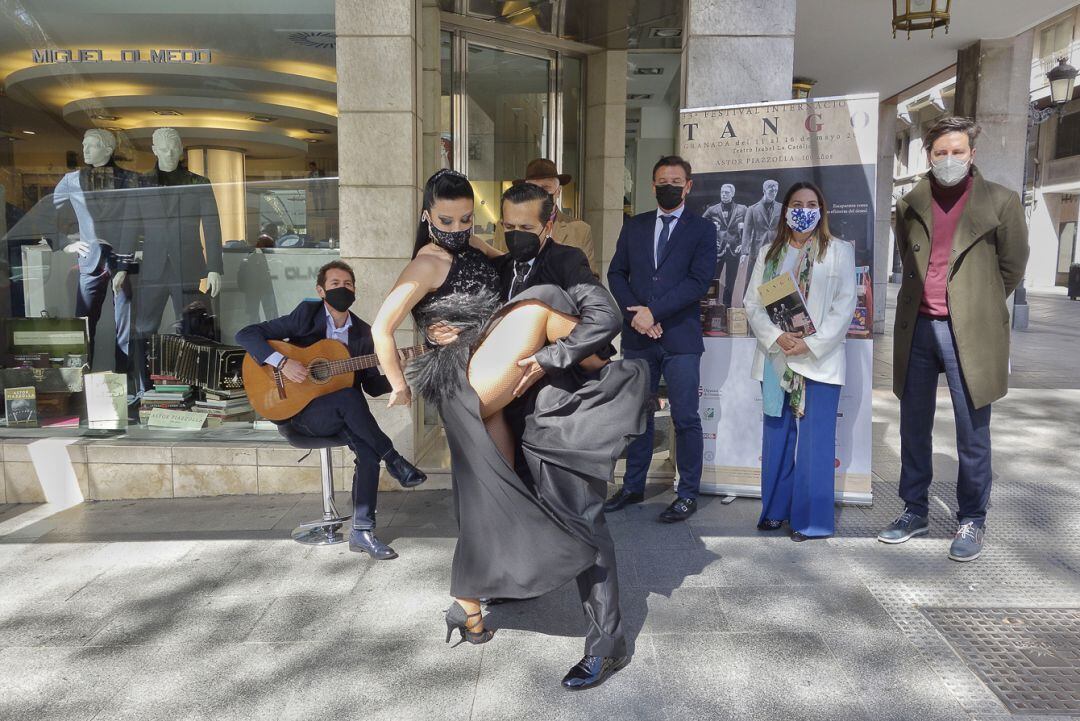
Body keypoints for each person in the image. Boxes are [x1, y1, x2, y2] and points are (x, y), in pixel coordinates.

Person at [371, 169, 646, 691]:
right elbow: (461, 308)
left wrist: (550, 358)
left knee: (584, 524)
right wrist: (435, 327)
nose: (515, 235)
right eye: (508, 226)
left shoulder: (565, 261)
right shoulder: (494, 265)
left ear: (549, 225)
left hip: (556, 416)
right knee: (491, 504)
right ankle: (481, 596)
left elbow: (603, 317)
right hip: (501, 413)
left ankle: (605, 644)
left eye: (525, 226)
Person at [877, 116, 1029, 562]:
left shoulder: (1001, 202)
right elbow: (909, 256)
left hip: (971, 332)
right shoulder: (910, 204)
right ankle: (914, 509)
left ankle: (972, 518)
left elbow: (1012, 267)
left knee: (972, 431)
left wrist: (975, 304)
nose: (948, 160)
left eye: (957, 151)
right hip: (920, 328)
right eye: (941, 152)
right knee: (913, 424)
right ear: (929, 155)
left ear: (971, 154)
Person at [236, 260, 427, 560]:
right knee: (348, 401)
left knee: (366, 449)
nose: (342, 289)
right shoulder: (306, 315)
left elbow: (372, 387)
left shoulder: (364, 333)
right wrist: (283, 363)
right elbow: (246, 334)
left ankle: (362, 532)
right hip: (298, 415)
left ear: (355, 291)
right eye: (335, 284)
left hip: (339, 416)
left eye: (348, 284)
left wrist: (395, 373)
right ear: (321, 290)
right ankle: (394, 459)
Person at [743, 183, 857, 542]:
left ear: (822, 210)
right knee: (777, 438)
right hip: (777, 358)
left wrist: (810, 344)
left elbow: (844, 306)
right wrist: (777, 337)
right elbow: (753, 303)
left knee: (814, 443)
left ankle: (810, 520)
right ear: (786, 210)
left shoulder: (838, 251)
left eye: (811, 204)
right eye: (796, 204)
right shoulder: (769, 252)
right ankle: (775, 510)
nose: (803, 210)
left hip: (819, 361)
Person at [605, 155, 715, 522]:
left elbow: (698, 282)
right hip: (638, 337)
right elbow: (616, 273)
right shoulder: (634, 226)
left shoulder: (702, 230)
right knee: (637, 415)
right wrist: (637, 313)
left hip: (680, 339)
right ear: (652, 186)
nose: (668, 185)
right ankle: (633, 486)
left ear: (688, 185)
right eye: (662, 180)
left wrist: (655, 313)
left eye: (676, 180)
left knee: (685, 418)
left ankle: (687, 493)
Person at [494, 158, 596, 271]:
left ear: (558, 191)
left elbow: (591, 277)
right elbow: (498, 267)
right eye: (533, 188)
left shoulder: (580, 230)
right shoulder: (505, 226)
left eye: (546, 188)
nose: (539, 194)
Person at [702, 183, 747, 306]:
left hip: (734, 250)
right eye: (722, 192)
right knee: (713, 279)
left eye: (727, 192)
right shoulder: (713, 209)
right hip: (717, 249)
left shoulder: (742, 209)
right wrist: (710, 241)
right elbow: (700, 226)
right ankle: (711, 306)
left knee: (730, 281)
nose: (724, 194)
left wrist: (743, 244)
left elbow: (749, 229)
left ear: (732, 194)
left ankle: (727, 308)